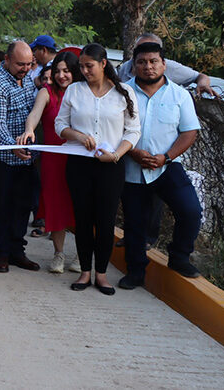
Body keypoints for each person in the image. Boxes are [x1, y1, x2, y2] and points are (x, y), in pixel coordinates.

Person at [55, 43, 140, 295]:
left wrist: (116, 155)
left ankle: (101, 274)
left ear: (103, 64)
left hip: (111, 166)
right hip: (79, 164)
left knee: (105, 220)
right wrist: (79, 136)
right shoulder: (74, 90)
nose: (84, 71)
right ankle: (84, 271)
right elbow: (60, 124)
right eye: (81, 66)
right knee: (83, 219)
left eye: (89, 66)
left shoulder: (124, 92)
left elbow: (133, 131)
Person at [119, 42, 203, 288]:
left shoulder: (180, 95)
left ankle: (179, 257)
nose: (148, 66)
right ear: (134, 66)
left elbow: (189, 132)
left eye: (153, 61)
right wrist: (132, 152)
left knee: (190, 211)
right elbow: (111, 129)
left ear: (164, 64)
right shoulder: (121, 93)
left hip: (167, 166)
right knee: (135, 223)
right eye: (142, 62)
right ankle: (135, 272)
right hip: (132, 165)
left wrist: (166, 157)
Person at [18, 52, 83, 273]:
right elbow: (34, 114)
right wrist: (29, 130)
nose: (62, 76)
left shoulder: (85, 92)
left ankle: (81, 255)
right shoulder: (46, 92)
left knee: (80, 207)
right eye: (57, 71)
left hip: (80, 159)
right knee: (56, 206)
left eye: (67, 71)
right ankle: (59, 254)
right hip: (53, 160)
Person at [0, 41, 40, 273]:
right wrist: (12, 146)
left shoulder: (27, 79)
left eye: (29, 64)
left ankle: (17, 251)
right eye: (20, 64)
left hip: (27, 157)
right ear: (6, 59)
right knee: (1, 208)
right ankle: (1, 253)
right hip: (4, 159)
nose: (25, 68)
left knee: (23, 207)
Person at [116, 33, 219, 98]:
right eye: (141, 48)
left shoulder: (171, 68)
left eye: (151, 48)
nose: (148, 66)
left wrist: (203, 84)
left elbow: (200, 76)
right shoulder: (125, 68)